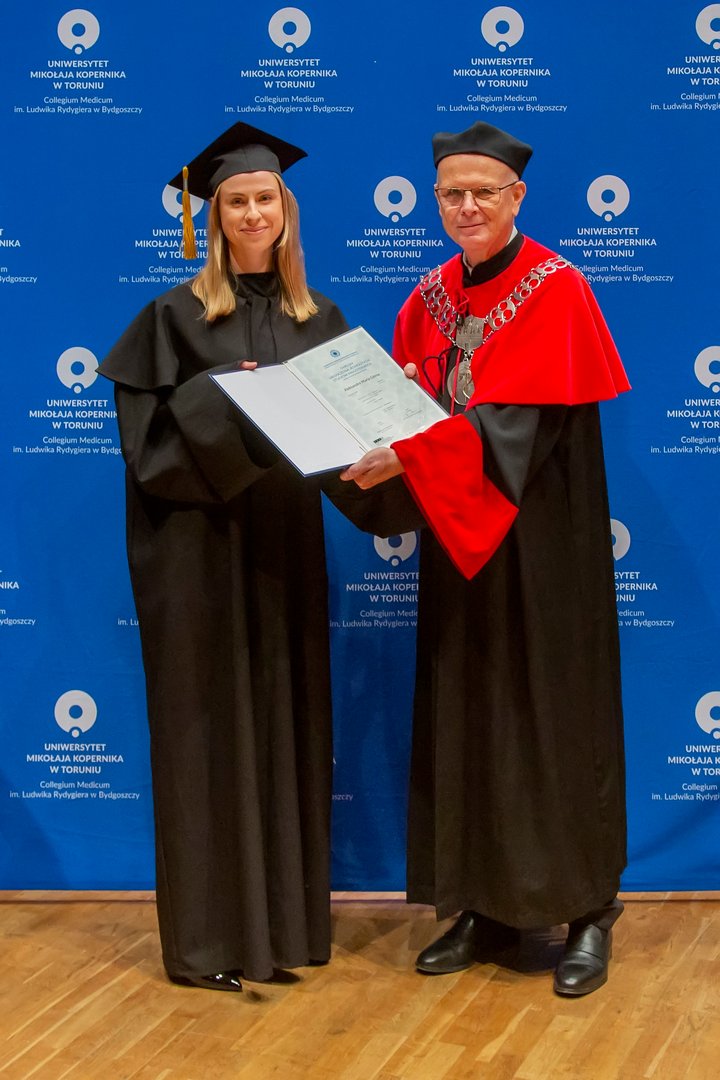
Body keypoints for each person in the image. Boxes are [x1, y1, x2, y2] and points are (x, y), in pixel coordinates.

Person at [339, 121, 630, 996]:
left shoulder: (557, 289)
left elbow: (517, 428)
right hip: (460, 546)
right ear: (436, 200)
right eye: (452, 194)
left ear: (516, 197)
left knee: (554, 717)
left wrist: (414, 452)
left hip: (543, 549)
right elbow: (403, 409)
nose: (466, 206)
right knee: (468, 713)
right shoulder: (426, 298)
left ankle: (587, 911)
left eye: (483, 192)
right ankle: (480, 903)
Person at [98, 122, 349, 992]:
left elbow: (346, 447)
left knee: (286, 719)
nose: (252, 213)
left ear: (286, 210)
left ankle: (286, 932)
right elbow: (148, 455)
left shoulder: (319, 320)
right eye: (236, 201)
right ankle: (208, 945)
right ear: (213, 216)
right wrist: (227, 397)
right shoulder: (172, 318)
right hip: (199, 556)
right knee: (206, 730)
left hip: (284, 550)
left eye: (265, 199)